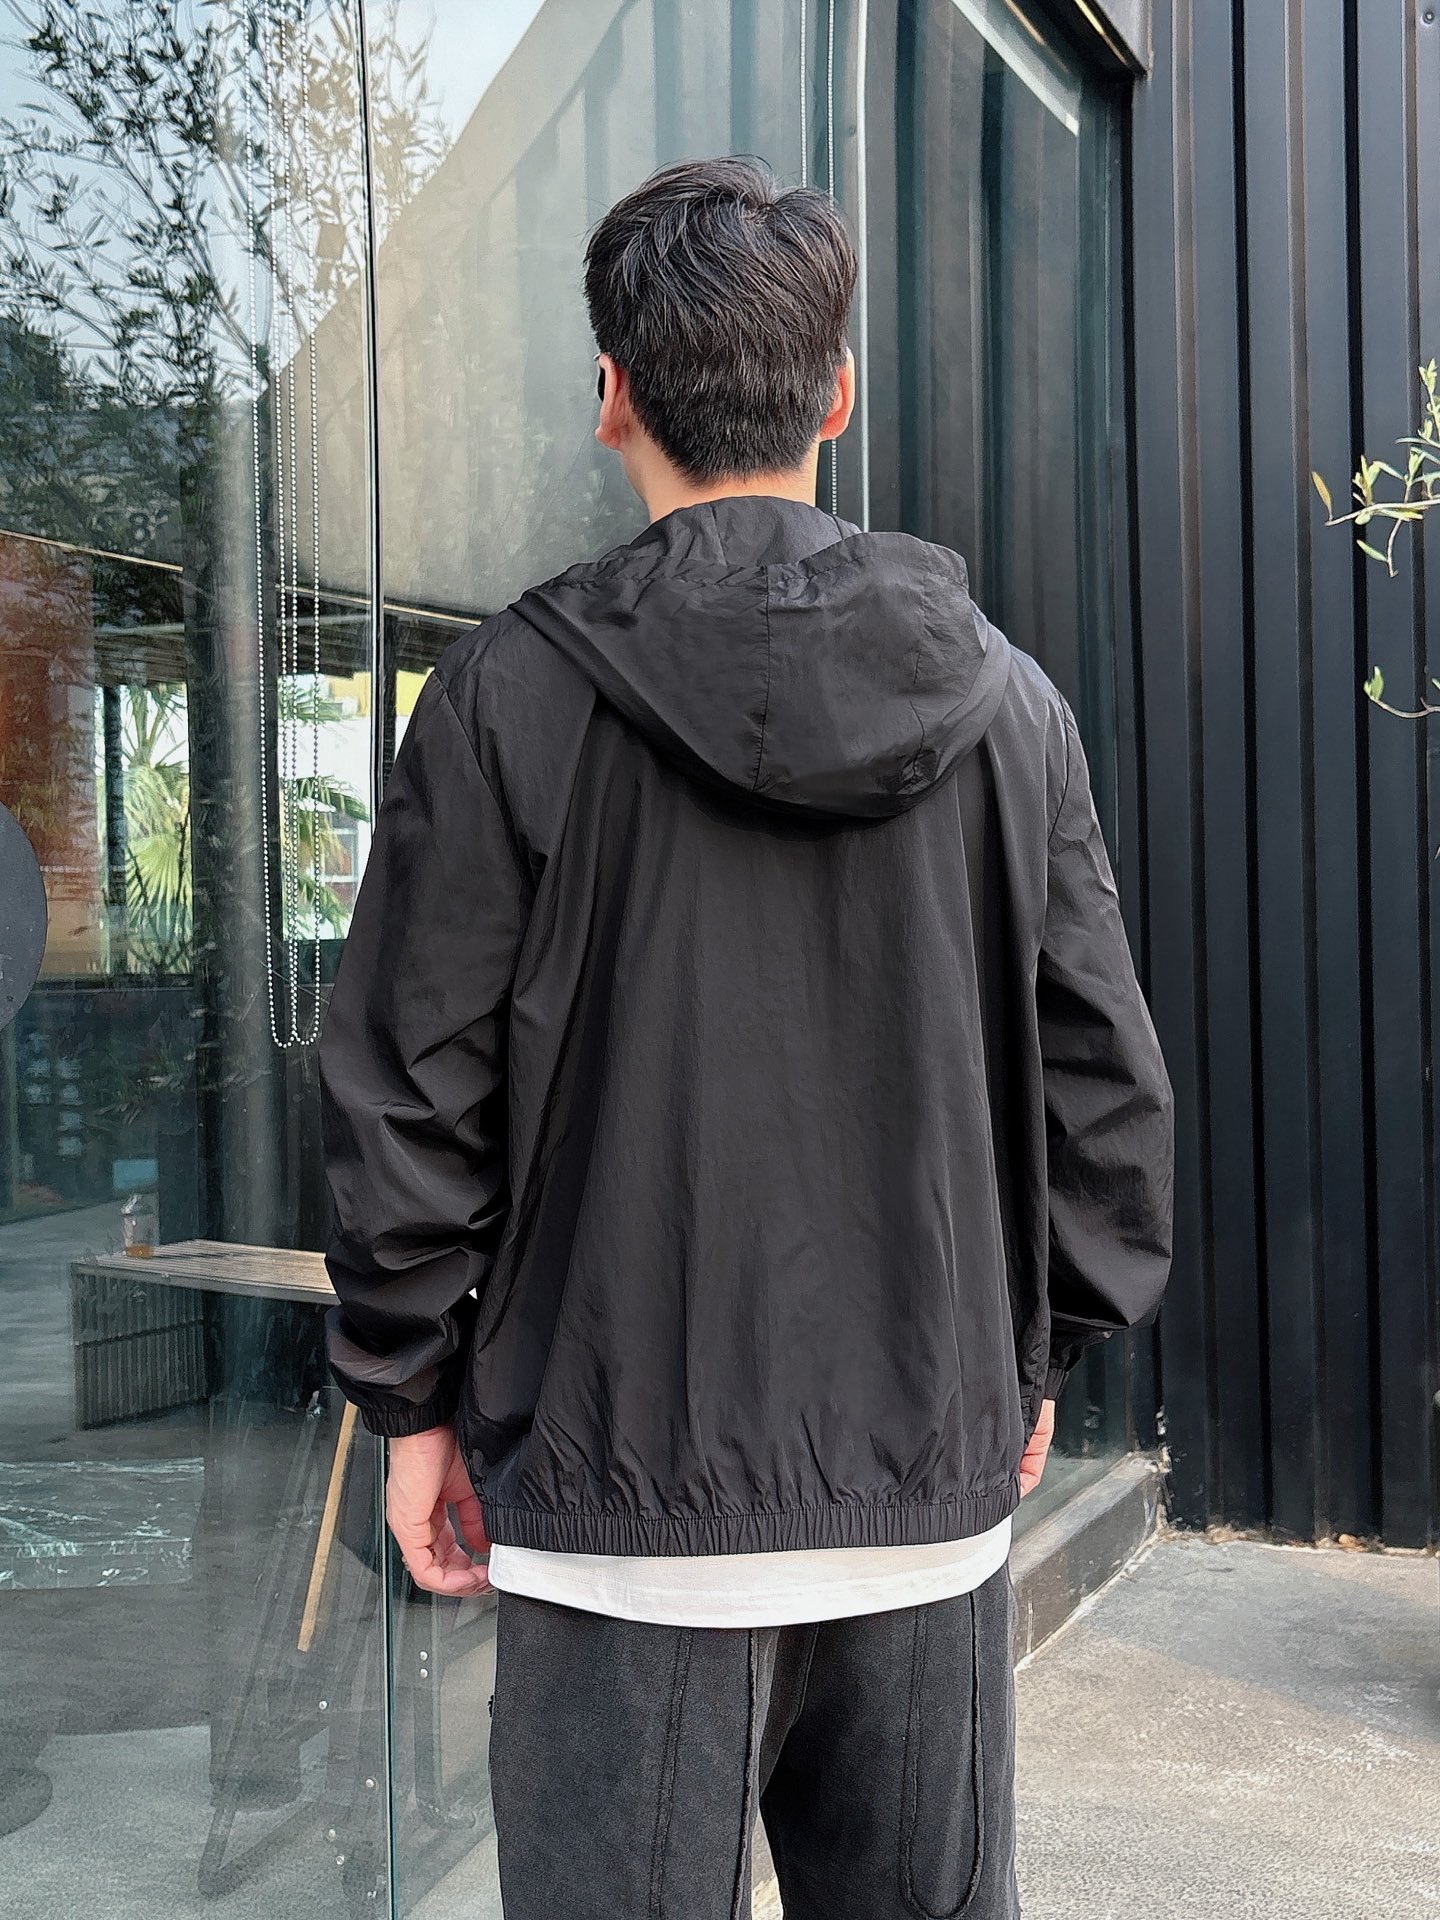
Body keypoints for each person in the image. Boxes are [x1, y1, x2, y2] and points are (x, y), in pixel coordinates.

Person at [320, 155, 1174, 1920]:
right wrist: (1039, 1356)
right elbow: (1103, 1090)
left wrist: (411, 1403)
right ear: (836, 398)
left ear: (612, 393)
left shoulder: (501, 701)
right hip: (918, 1495)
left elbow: (411, 1087)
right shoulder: (1011, 710)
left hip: (613, 1509)